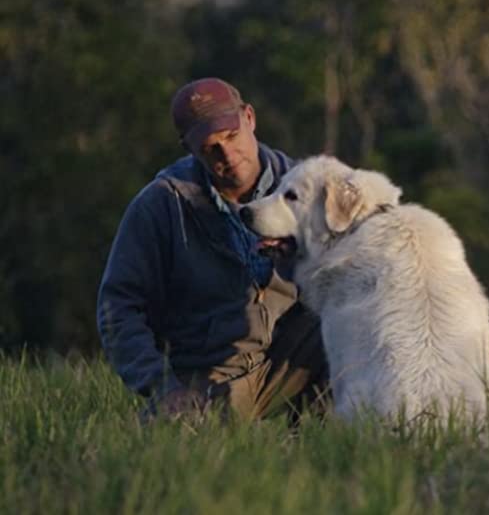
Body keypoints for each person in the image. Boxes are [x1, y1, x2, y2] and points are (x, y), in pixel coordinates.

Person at [97, 78, 328, 421]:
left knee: (348, 332)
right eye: (210, 148)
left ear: (249, 118)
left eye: (232, 136)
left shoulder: (304, 187)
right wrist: (162, 386)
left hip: (294, 358)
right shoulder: (161, 205)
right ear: (188, 148)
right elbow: (117, 308)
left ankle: (322, 433)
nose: (228, 155)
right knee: (175, 435)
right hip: (207, 376)